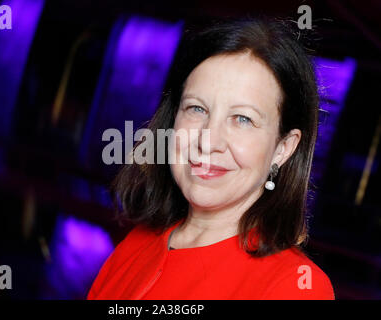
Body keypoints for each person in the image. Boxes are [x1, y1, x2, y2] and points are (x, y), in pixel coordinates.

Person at [87, 17, 335, 300]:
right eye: (196, 108)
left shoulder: (296, 286)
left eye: (242, 119)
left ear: (283, 147)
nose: (207, 140)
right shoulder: (136, 243)